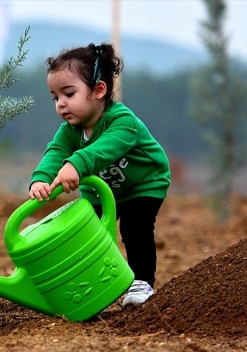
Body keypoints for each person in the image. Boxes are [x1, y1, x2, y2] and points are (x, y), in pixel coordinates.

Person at [28, 42, 171, 306]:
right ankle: (91, 286)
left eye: (68, 94)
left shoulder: (122, 121)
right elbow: (55, 152)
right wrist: (41, 178)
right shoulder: (70, 131)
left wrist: (75, 164)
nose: (61, 104)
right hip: (100, 189)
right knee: (88, 233)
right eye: (55, 97)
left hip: (142, 184)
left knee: (134, 227)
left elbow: (105, 150)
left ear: (98, 90)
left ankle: (142, 283)